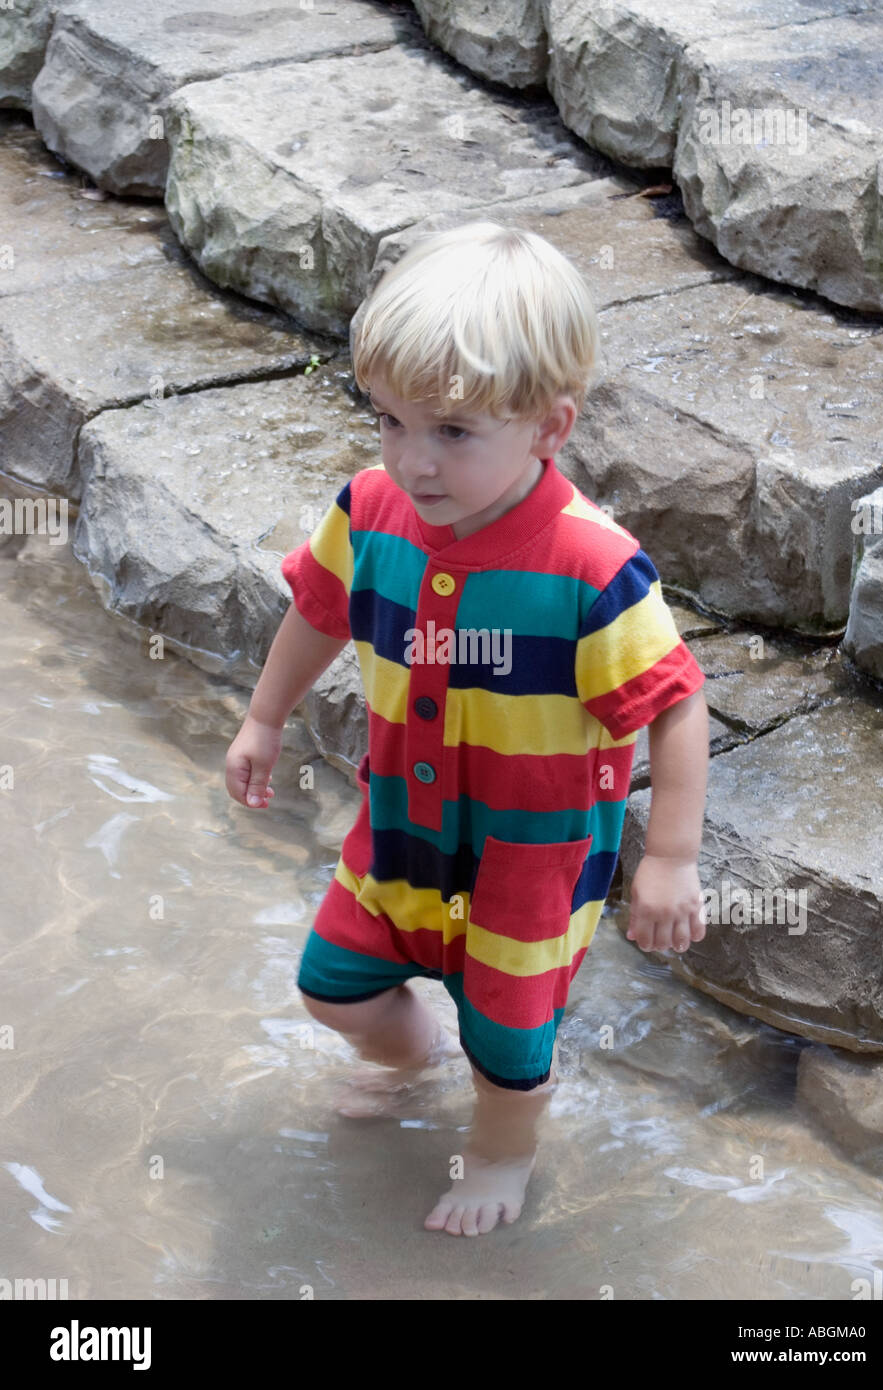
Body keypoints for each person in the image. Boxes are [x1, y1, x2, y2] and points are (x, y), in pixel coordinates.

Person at [225, 222, 709, 1238]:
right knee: (333, 984)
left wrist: (669, 855)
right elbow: (318, 610)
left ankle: (498, 1149)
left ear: (548, 426)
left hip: (528, 860)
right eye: (391, 422)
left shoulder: (589, 565)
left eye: (452, 432)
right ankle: (409, 1058)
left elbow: (672, 702)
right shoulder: (369, 511)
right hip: (400, 827)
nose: (413, 460)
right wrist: (265, 717)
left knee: (510, 1040)